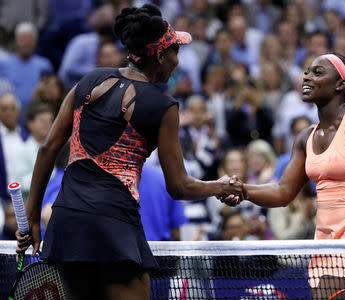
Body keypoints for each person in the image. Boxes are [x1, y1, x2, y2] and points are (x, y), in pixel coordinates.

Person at [16, 4, 244, 300]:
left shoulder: (89, 80)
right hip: (114, 227)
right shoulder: (164, 107)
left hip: (67, 224)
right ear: (160, 56)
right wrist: (220, 186)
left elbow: (48, 149)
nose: (177, 61)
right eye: (175, 52)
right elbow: (178, 185)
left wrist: (33, 215)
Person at [222, 53, 345, 299]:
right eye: (307, 71)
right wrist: (244, 191)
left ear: (340, 85)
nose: (306, 76)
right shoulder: (305, 137)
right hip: (324, 242)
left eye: (317, 72)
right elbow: (283, 192)